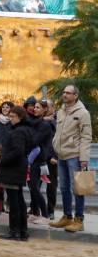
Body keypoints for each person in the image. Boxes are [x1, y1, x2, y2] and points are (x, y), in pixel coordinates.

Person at [50, 85, 92, 233]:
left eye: (68, 93)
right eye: (64, 92)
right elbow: (58, 133)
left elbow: (86, 137)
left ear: (75, 95)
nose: (65, 95)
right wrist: (55, 151)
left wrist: (84, 158)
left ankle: (79, 220)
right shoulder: (61, 111)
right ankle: (67, 217)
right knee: (63, 188)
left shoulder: (83, 113)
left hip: (75, 155)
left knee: (78, 188)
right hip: (61, 155)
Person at [0, 106, 33, 241]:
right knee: (18, 200)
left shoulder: (19, 131)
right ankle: (22, 231)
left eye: (13, 116)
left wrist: (3, 160)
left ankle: (15, 231)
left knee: (14, 202)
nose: (10, 118)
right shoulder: (24, 130)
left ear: (20, 117)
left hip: (13, 169)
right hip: (17, 169)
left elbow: (18, 151)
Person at [27, 100, 53, 222]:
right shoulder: (36, 123)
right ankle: (35, 212)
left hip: (39, 159)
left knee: (34, 187)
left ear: (44, 109)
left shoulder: (45, 125)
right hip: (32, 159)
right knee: (32, 187)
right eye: (34, 107)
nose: (34, 109)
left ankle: (45, 215)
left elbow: (34, 140)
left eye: (37, 107)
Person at [42, 100, 58, 220]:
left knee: (51, 186)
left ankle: (50, 210)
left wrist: (55, 156)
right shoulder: (39, 119)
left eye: (46, 107)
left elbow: (61, 139)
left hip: (51, 158)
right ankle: (35, 208)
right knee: (34, 184)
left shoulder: (59, 121)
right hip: (39, 157)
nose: (44, 108)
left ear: (53, 108)